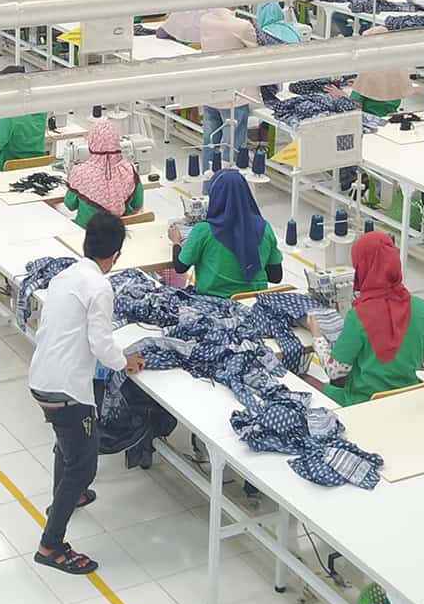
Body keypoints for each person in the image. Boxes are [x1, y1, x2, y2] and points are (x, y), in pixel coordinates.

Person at [26, 213, 142, 575]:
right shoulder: (101, 287)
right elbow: (102, 344)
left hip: (42, 377)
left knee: (68, 443)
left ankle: (68, 496)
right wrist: (127, 362)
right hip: (68, 390)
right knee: (84, 463)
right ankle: (51, 545)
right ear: (117, 254)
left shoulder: (66, 276)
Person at [316, 231, 424, 406]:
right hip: (408, 399)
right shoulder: (420, 307)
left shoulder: (358, 315)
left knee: (304, 380)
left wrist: (317, 337)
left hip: (365, 403)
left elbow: (336, 371)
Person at [168, 168, 283, 298]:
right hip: (254, 303)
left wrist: (176, 242)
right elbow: (276, 276)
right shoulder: (265, 228)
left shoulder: (204, 230)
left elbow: (180, 267)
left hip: (214, 305)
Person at [197, 7, 259, 168]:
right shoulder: (242, 26)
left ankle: (208, 185)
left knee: (210, 141)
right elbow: (257, 52)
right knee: (232, 146)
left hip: (210, 90)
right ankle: (227, 186)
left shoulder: (205, 19)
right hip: (234, 95)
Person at [64, 120, 144, 227]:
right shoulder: (129, 171)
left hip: (86, 233)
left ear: (91, 142)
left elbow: (70, 205)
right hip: (120, 232)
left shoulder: (80, 173)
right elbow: (137, 205)